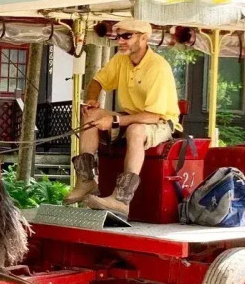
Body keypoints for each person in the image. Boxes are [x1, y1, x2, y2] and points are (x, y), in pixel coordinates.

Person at [65, 24, 180, 215]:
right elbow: (97, 81)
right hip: (130, 116)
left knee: (136, 130)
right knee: (91, 114)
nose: (120, 41)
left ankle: (122, 199)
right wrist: (92, 100)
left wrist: (115, 122)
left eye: (126, 36)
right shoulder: (121, 59)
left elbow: (153, 115)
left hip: (160, 121)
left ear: (143, 38)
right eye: (117, 36)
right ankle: (86, 181)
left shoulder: (158, 67)